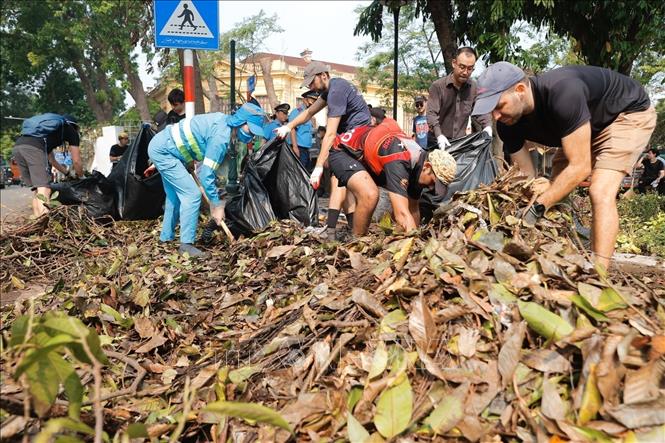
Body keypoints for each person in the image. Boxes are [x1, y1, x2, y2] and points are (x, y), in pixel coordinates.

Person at [472, 62, 656, 269]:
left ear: (520, 91)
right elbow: (526, 178)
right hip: (585, 126)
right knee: (554, 191)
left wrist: (538, 208)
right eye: (491, 110)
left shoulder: (562, 93)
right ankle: (555, 257)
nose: (495, 116)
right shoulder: (508, 124)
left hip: (625, 114)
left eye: (498, 105)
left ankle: (599, 276)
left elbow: (580, 167)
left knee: (600, 191)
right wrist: (529, 201)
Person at [146, 103, 266, 257]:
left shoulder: (222, 122)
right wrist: (216, 205)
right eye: (250, 129)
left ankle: (165, 238)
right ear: (240, 122)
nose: (252, 135)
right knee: (192, 195)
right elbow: (206, 175)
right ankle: (186, 245)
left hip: (165, 147)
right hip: (165, 151)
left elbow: (193, 138)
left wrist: (187, 159)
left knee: (174, 198)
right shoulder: (221, 138)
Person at [276, 61, 372, 238]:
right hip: (350, 135)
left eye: (312, 82)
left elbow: (330, 134)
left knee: (337, 180)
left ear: (324, 76)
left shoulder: (335, 91)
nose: (311, 87)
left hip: (356, 136)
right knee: (342, 181)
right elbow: (309, 112)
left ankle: (331, 230)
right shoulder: (329, 90)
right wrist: (288, 127)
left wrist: (319, 166)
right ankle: (350, 228)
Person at [329, 117, 456, 232]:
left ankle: (356, 230)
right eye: (433, 182)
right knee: (370, 194)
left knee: (407, 208)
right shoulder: (399, 159)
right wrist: (414, 245)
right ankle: (356, 243)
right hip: (344, 152)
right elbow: (401, 214)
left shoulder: (419, 166)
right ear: (427, 167)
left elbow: (413, 210)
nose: (431, 188)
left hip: (369, 158)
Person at [12, 113, 83, 217]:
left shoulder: (46, 134)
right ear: (75, 126)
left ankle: (37, 222)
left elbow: (52, 160)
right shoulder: (71, 131)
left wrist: (67, 173)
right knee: (45, 188)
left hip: (18, 147)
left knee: (37, 190)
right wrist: (81, 176)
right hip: (33, 149)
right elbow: (76, 161)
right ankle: (44, 223)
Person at [427, 47, 492, 150]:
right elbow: (431, 114)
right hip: (437, 142)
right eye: (462, 67)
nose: (465, 72)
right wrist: (439, 135)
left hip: (459, 144)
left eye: (470, 68)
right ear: (454, 63)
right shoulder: (438, 86)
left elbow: (480, 111)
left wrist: (487, 126)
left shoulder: (474, 88)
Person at [288, 90, 319, 168]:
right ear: (304, 100)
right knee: (298, 173)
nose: (313, 103)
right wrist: (295, 147)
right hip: (298, 148)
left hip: (306, 149)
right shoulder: (297, 112)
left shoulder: (309, 114)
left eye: (315, 100)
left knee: (306, 172)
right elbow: (292, 129)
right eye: (312, 100)